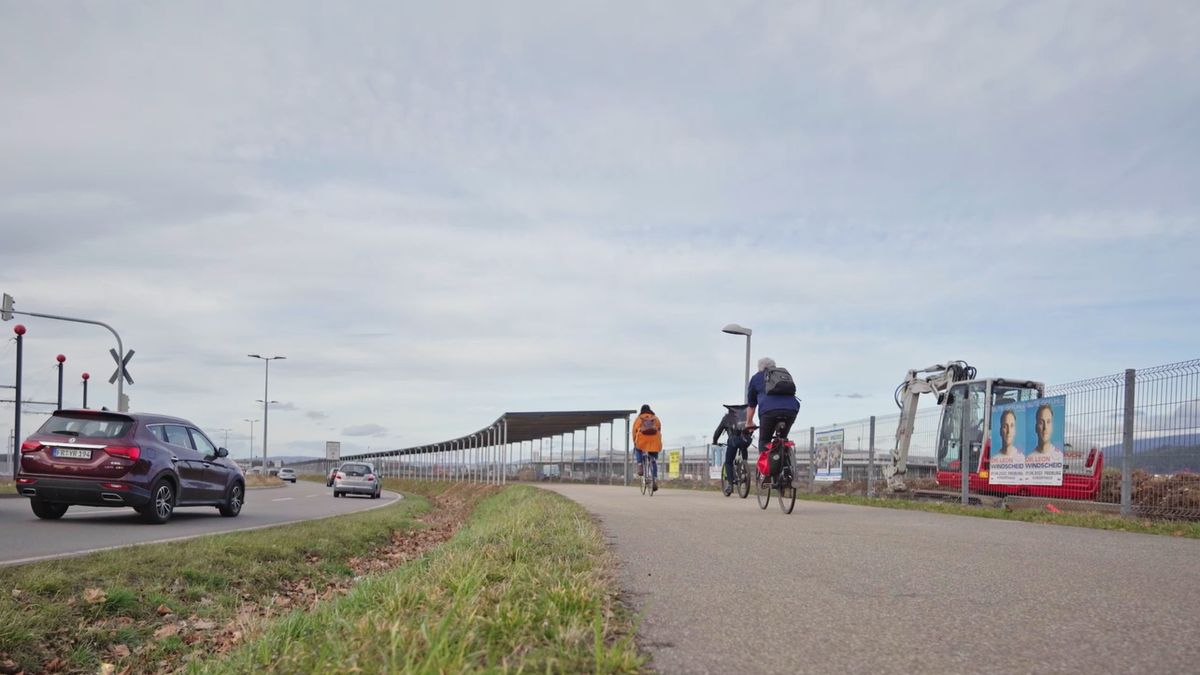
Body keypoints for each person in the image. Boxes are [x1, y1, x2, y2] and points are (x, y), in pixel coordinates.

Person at [744, 357, 800, 451]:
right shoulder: (783, 374)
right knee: (783, 439)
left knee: (765, 441)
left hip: (768, 411)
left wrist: (749, 422)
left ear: (760, 368)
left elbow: (752, 405)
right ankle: (787, 458)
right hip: (791, 409)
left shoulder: (756, 377)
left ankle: (764, 465)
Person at [713, 404, 752, 496]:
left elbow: (718, 431)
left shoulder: (727, 418)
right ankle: (744, 469)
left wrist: (715, 441)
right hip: (745, 441)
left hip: (733, 441)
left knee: (728, 462)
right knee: (744, 457)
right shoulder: (746, 416)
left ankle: (730, 485)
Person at [633, 404, 663, 492]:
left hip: (642, 441)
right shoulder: (655, 418)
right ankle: (654, 479)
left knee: (637, 448)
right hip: (654, 441)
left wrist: (634, 441)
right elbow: (659, 429)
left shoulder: (639, 419)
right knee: (653, 460)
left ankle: (640, 465)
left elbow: (634, 432)